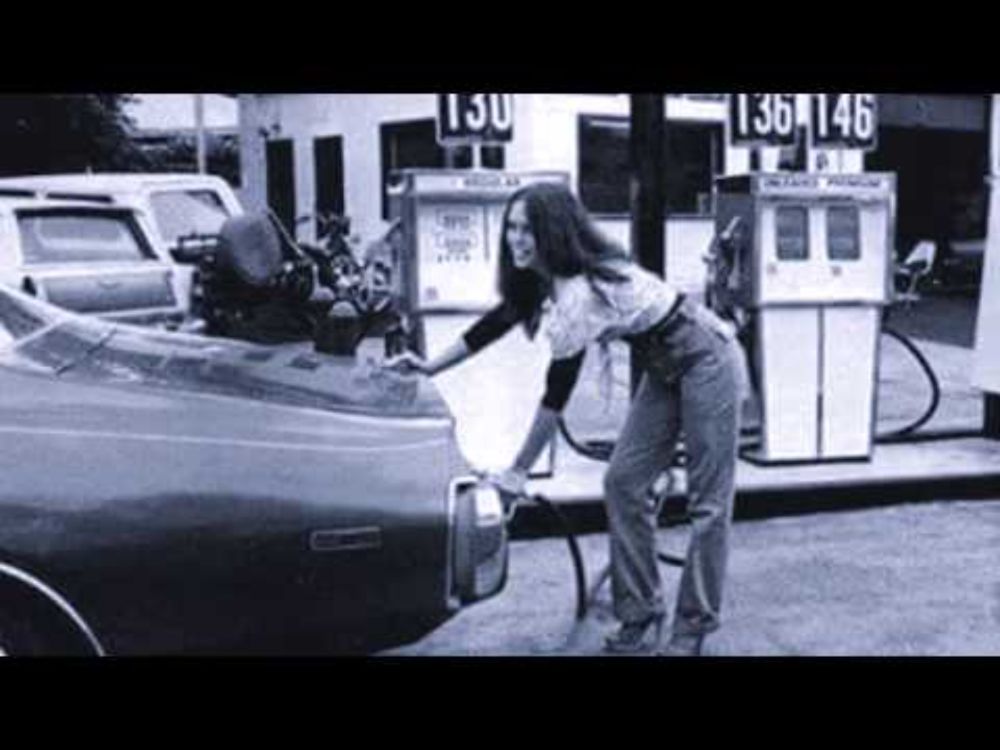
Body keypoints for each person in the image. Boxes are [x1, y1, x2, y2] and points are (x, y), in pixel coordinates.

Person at [385, 183, 747, 656]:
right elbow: (498, 321)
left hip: (707, 356)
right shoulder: (547, 278)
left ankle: (692, 627)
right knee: (623, 482)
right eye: (512, 228)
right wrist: (430, 366)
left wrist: (517, 472)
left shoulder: (577, 295)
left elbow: (554, 398)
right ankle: (641, 612)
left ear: (552, 232)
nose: (516, 240)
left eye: (527, 230)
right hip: (663, 364)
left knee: (708, 504)